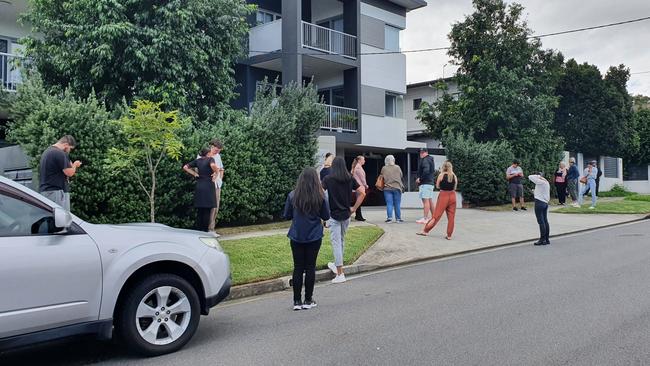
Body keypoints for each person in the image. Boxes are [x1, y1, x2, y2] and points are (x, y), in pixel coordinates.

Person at [283, 168, 330, 310]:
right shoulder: (320, 196)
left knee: (298, 267)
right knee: (310, 267)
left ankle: (297, 301)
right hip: (314, 235)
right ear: (316, 180)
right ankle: (308, 300)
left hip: (296, 235)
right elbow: (326, 216)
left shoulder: (293, 195)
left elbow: (287, 215)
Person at [322, 157, 365, 284]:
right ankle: (337, 265)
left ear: (333, 166)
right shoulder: (349, 178)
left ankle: (340, 273)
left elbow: (320, 193)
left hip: (334, 214)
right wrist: (354, 208)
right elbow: (362, 193)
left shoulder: (328, 179)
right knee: (341, 240)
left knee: (336, 243)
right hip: (346, 214)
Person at [39, 135, 82, 211]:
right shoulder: (59, 153)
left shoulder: (48, 152)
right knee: (61, 219)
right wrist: (75, 165)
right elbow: (69, 173)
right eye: (70, 148)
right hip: (56, 192)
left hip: (47, 191)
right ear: (66, 145)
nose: (69, 151)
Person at [417, 161, 457, 240]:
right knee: (451, 217)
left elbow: (438, 186)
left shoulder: (441, 175)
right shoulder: (454, 176)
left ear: (443, 167)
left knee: (436, 216)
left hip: (443, 195)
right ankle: (449, 235)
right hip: (452, 195)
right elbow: (455, 187)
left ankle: (425, 231)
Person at [183, 148, 218, 231]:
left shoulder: (197, 161)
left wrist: (194, 174)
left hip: (199, 184)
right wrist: (216, 172)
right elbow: (213, 165)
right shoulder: (210, 159)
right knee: (207, 209)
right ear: (208, 153)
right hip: (208, 184)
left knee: (200, 210)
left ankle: (199, 230)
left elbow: (185, 167)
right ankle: (205, 231)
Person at [380, 155, 404, 223]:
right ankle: (398, 219)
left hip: (387, 188)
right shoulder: (397, 167)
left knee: (389, 203)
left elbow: (381, 177)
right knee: (397, 204)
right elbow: (401, 175)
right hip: (397, 187)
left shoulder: (384, 168)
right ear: (393, 160)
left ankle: (389, 218)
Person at [207, 139, 225, 233]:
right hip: (208, 185)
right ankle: (206, 229)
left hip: (217, 185)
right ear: (212, 147)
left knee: (216, 207)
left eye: (219, 151)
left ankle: (211, 229)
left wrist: (220, 180)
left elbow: (221, 169)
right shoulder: (204, 155)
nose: (218, 152)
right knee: (208, 207)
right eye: (217, 150)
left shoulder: (218, 156)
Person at [528, 172, 551, 245]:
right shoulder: (546, 183)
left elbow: (530, 176)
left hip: (539, 203)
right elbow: (541, 192)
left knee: (541, 222)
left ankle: (542, 239)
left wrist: (538, 176)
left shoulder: (540, 182)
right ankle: (547, 239)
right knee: (545, 221)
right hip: (545, 203)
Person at [415, 148, 436, 224]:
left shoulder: (425, 160)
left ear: (424, 153)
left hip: (425, 183)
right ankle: (434, 217)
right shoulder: (430, 159)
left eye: (421, 152)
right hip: (430, 183)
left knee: (425, 201)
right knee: (430, 200)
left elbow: (426, 170)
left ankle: (425, 218)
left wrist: (420, 179)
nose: (420, 154)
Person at [351, 155, 368, 222]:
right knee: (359, 201)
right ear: (359, 160)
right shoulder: (358, 168)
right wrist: (365, 185)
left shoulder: (356, 167)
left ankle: (358, 216)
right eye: (363, 159)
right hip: (360, 186)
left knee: (358, 201)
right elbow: (362, 178)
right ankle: (358, 216)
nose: (364, 161)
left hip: (358, 186)